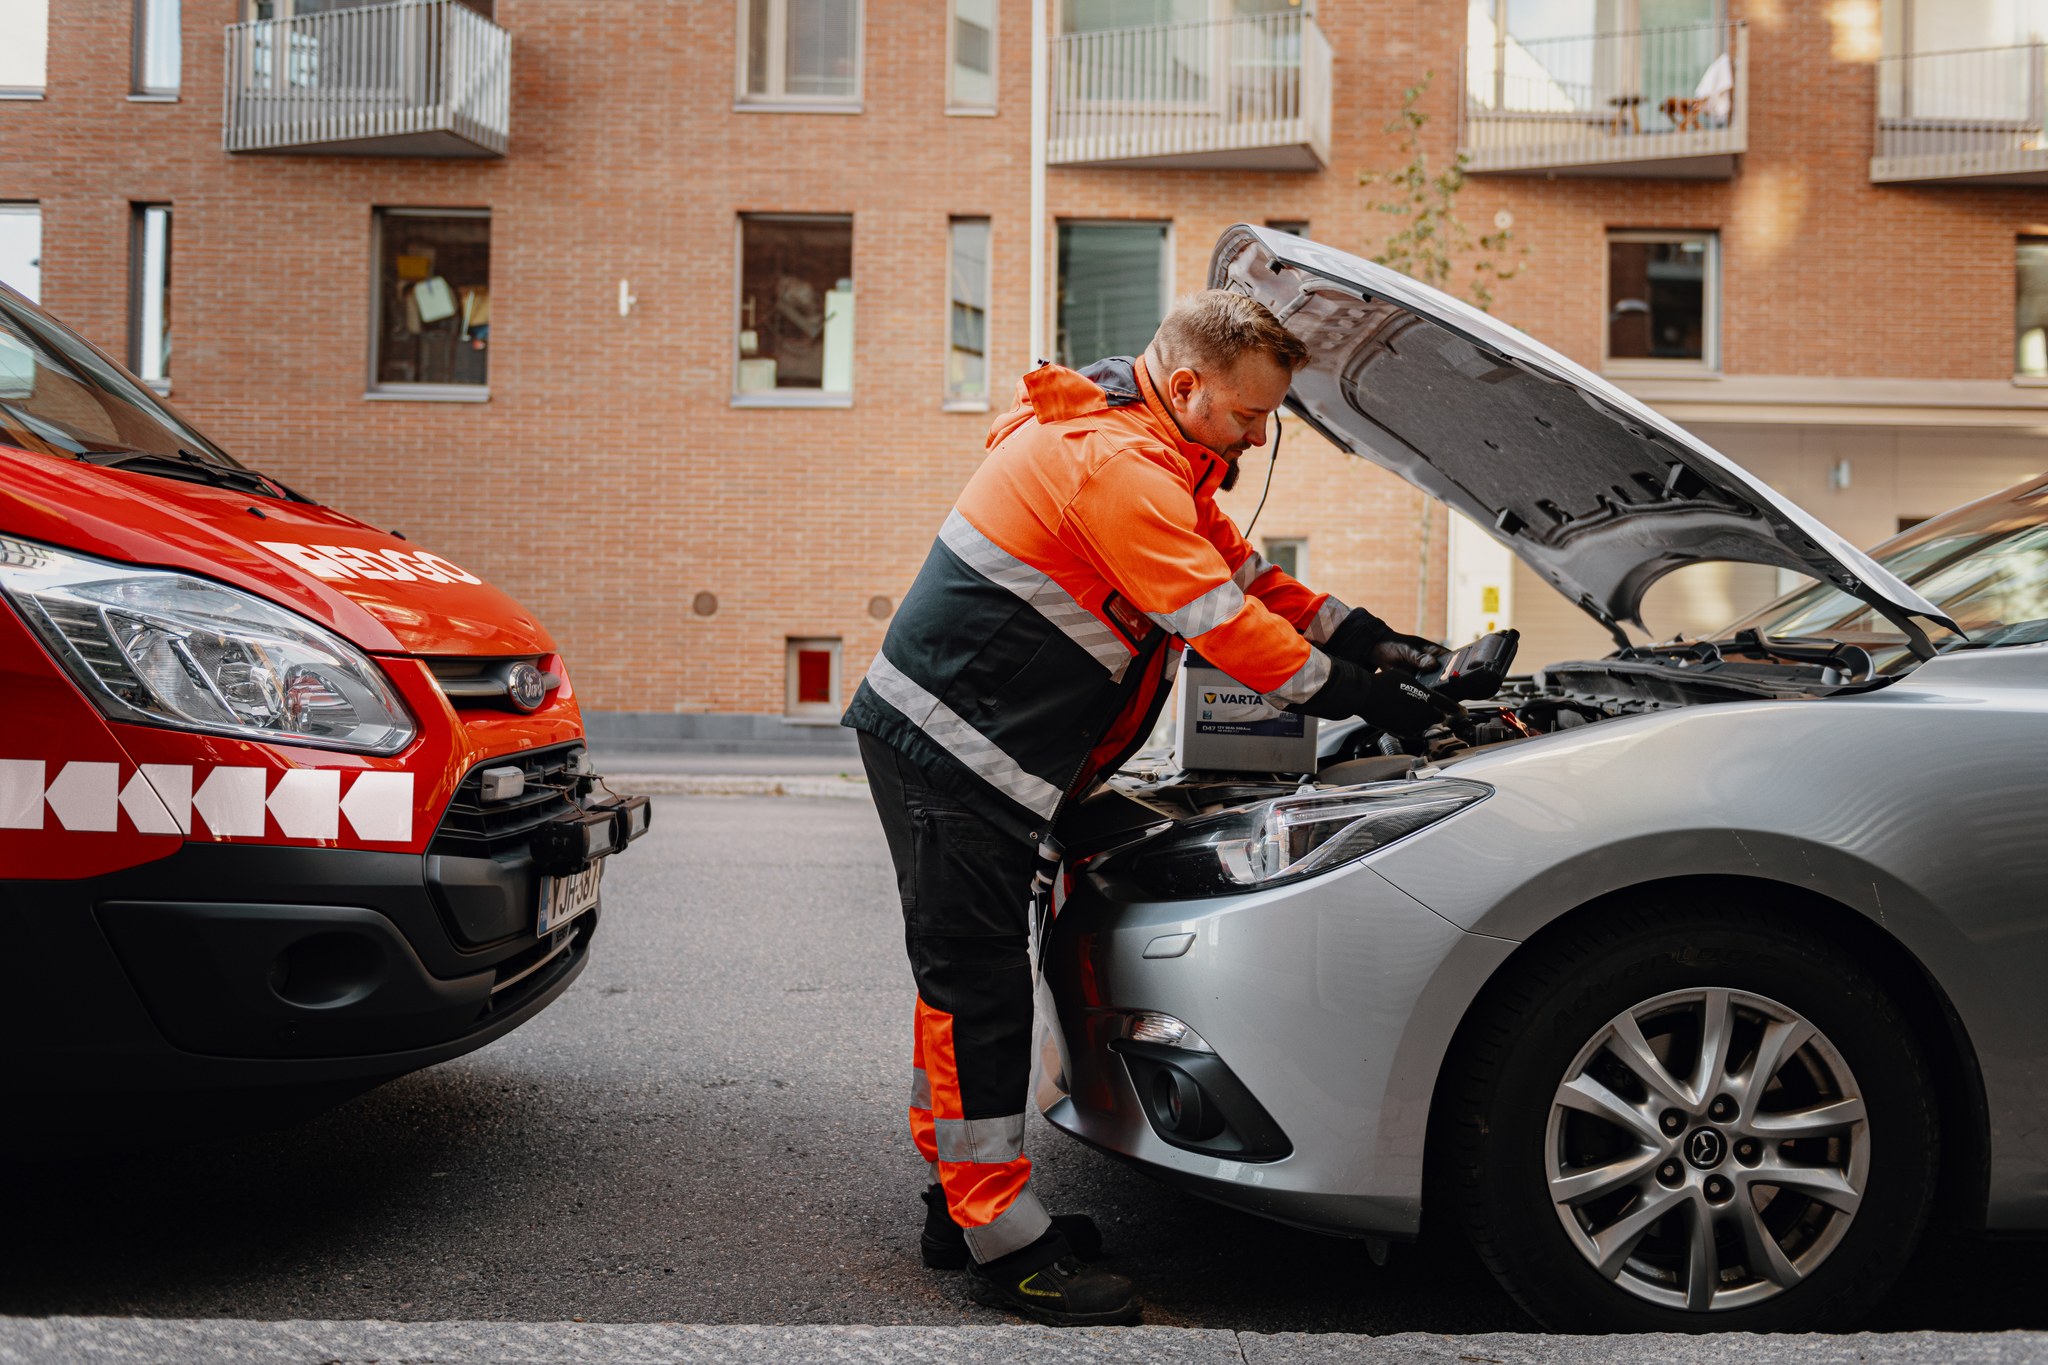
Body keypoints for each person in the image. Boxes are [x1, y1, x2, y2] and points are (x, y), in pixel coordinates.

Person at [842, 290, 1448, 1327]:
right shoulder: (1114, 469)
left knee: (964, 986)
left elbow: (1253, 579)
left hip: (998, 752)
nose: (1261, 437)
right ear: (1184, 388)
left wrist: (1382, 642)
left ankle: (960, 1204)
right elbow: (1223, 628)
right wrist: (1360, 694)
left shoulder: (1166, 456)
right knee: (974, 990)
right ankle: (1001, 1243)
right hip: (955, 754)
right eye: (1250, 416)